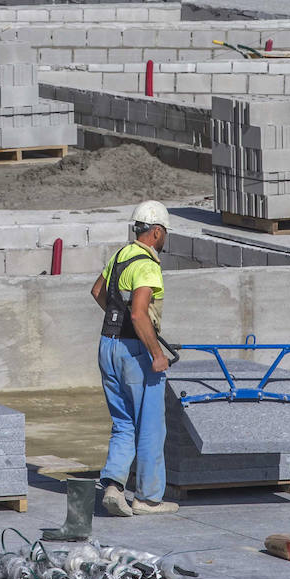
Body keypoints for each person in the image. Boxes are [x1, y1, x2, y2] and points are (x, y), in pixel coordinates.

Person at [90, 200, 177, 517]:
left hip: (108, 345)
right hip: (133, 352)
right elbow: (140, 312)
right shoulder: (147, 265)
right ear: (156, 232)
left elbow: (98, 291)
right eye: (164, 233)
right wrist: (156, 353)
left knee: (123, 423)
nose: (164, 238)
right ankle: (149, 498)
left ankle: (113, 486)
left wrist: (122, 322)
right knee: (151, 425)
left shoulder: (120, 256)